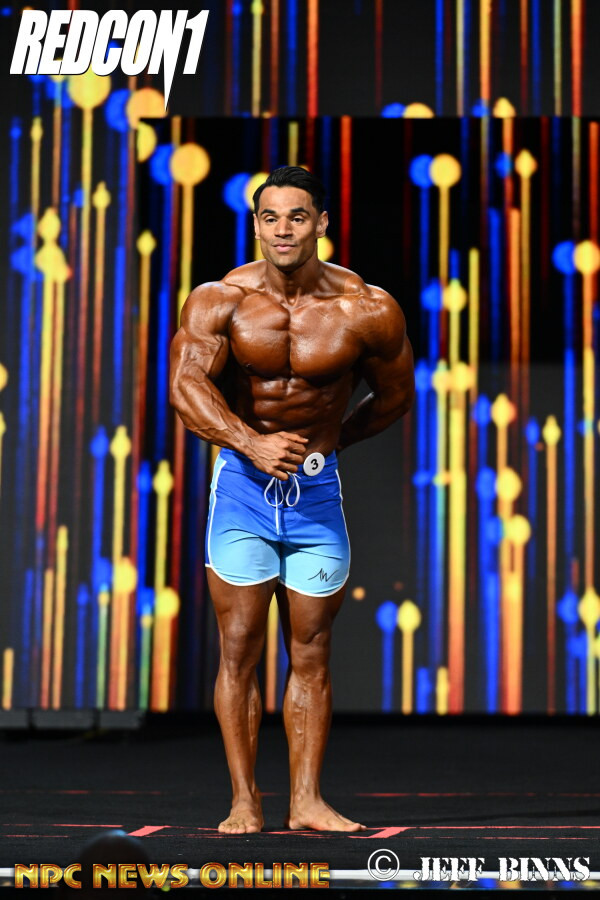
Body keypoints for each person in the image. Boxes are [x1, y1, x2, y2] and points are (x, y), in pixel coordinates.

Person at [169, 166, 415, 834]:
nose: (284, 229)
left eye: (297, 216)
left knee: (311, 650)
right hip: (242, 490)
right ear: (256, 225)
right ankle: (244, 800)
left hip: (315, 494)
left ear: (321, 223)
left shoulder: (367, 308)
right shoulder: (221, 299)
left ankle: (306, 801)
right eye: (270, 217)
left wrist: (332, 445)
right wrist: (249, 443)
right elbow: (186, 387)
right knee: (240, 646)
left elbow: (396, 394)